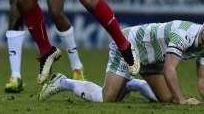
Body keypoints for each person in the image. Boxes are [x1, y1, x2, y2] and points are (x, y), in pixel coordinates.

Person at [39, 20, 204, 106]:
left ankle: (132, 84)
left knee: (168, 99)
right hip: (129, 46)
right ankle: (62, 81)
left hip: (153, 58)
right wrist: (182, 100)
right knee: (108, 98)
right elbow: (169, 70)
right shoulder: (183, 34)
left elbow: (202, 79)